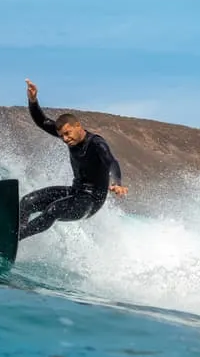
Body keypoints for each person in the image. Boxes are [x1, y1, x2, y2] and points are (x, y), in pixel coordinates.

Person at [17, 79, 128, 241]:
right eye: (62, 135)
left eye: (68, 133)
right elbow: (42, 122)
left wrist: (117, 183)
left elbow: (111, 162)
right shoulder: (69, 137)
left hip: (91, 201)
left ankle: (17, 236)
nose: (65, 139)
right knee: (27, 202)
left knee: (53, 210)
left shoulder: (96, 143)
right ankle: (16, 232)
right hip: (75, 192)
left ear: (78, 126)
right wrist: (33, 100)